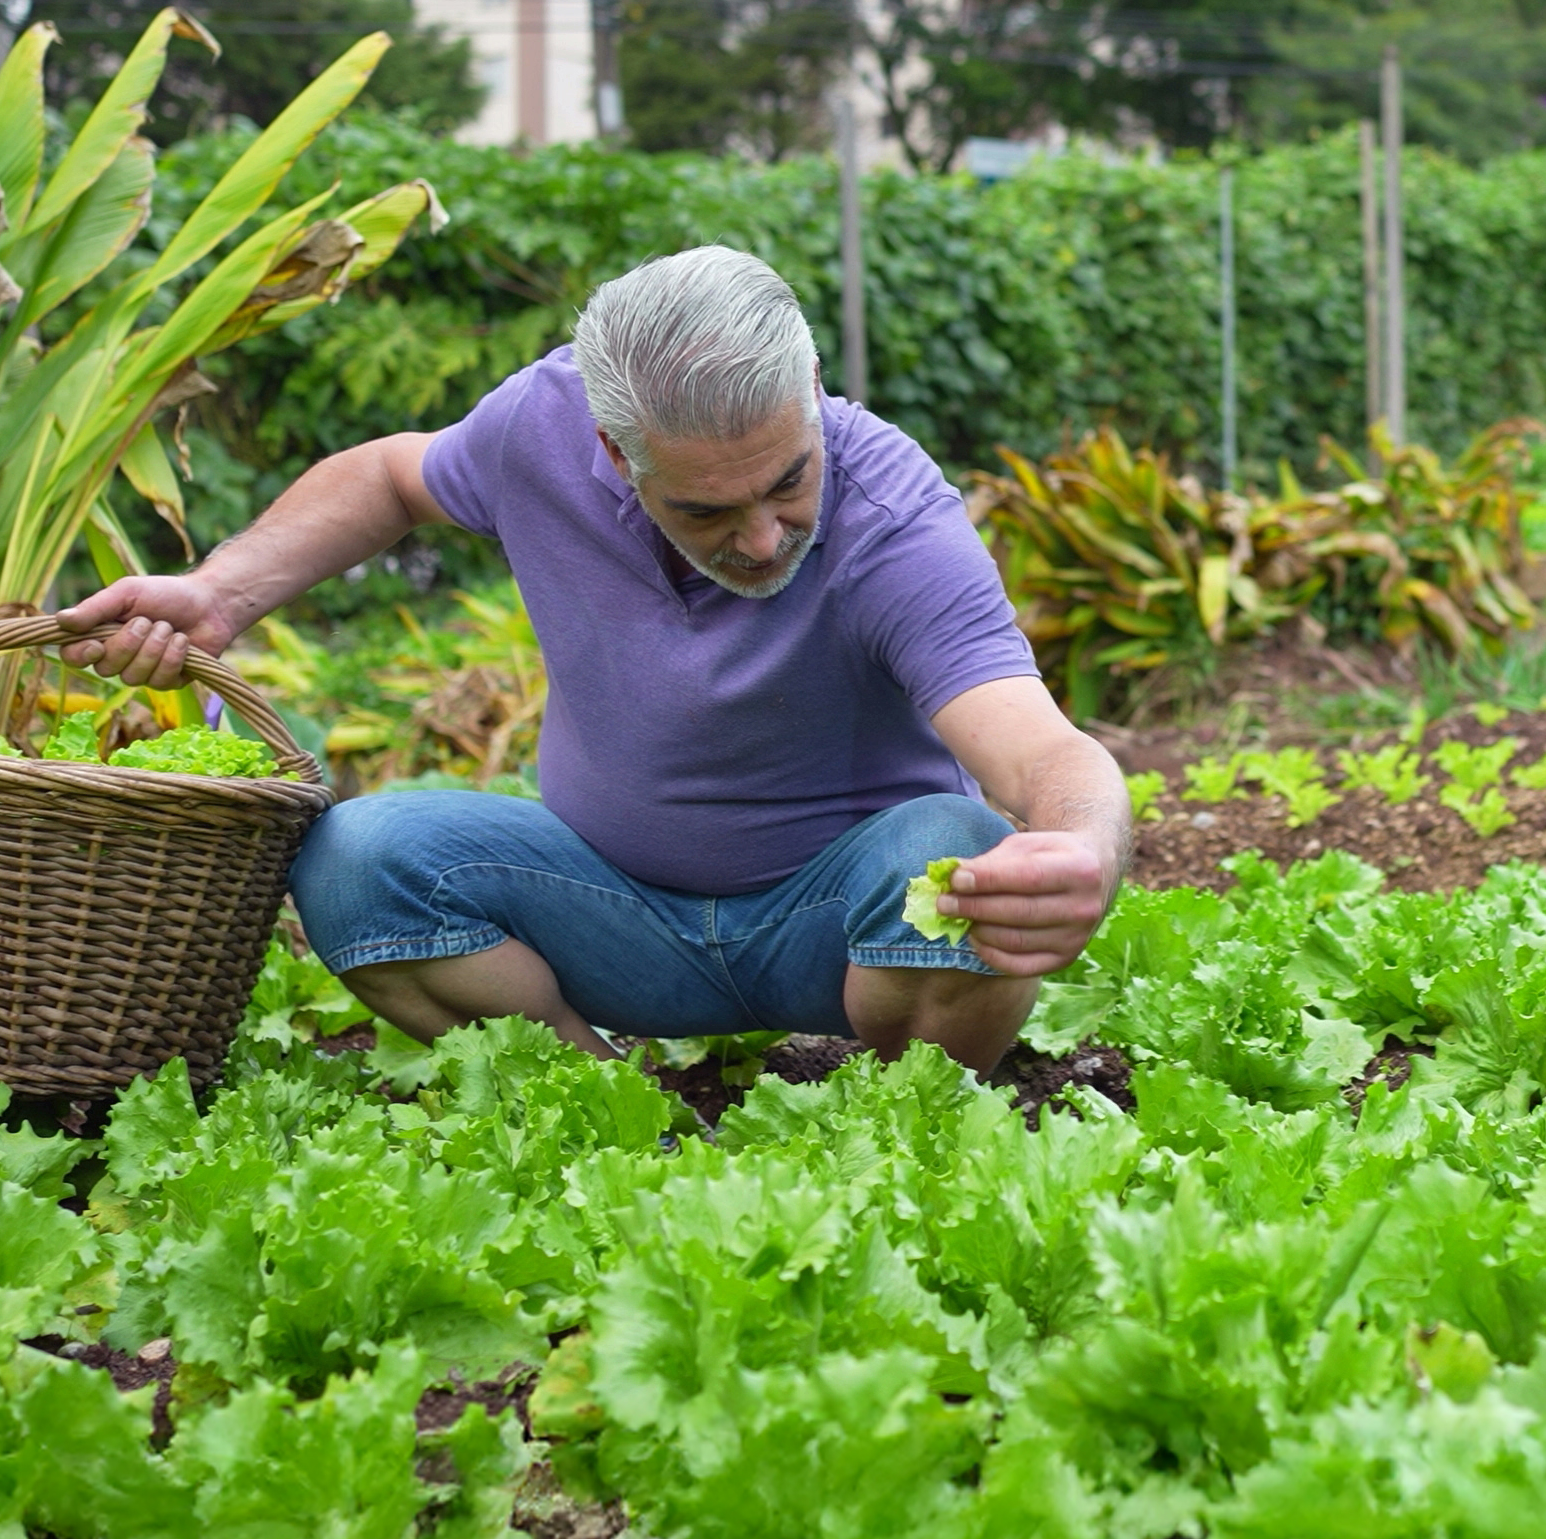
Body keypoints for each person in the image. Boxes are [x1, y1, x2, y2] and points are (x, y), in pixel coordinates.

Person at [61, 245, 1125, 1074]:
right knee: (358, 859)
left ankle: (904, 1116)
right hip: (616, 920)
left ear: (809, 390)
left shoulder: (897, 519)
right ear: (613, 451)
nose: (763, 539)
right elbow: (391, 479)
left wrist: (1082, 850)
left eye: (788, 484)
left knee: (959, 852)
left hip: (847, 940)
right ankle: (603, 1103)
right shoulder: (540, 429)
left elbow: (1040, 751)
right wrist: (220, 594)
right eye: (706, 509)